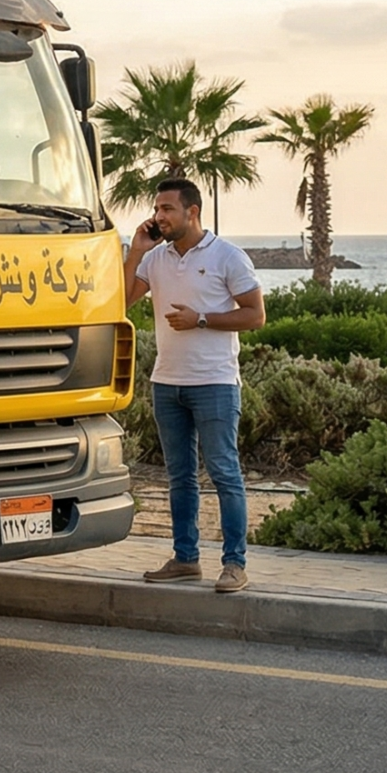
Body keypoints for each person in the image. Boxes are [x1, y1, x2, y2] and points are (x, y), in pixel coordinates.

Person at [125, 177, 265, 594]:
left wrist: (201, 319)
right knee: (179, 476)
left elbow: (255, 315)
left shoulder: (227, 256)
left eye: (167, 209)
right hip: (167, 383)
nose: (158, 216)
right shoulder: (155, 259)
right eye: (156, 209)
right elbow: (120, 300)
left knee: (224, 472)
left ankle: (234, 564)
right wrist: (136, 250)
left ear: (192, 212)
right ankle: (186, 559)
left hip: (216, 383)